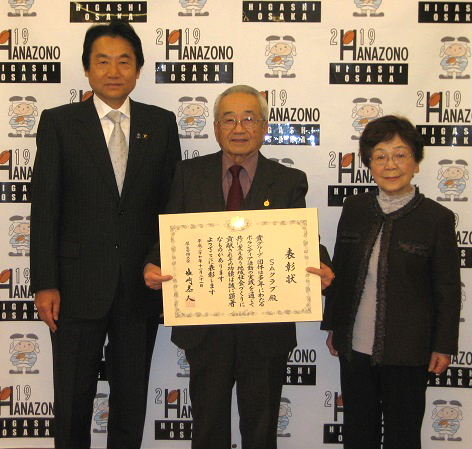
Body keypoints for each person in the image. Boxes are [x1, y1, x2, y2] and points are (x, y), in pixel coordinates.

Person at [144, 84, 334, 449]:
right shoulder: (187, 174)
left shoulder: (288, 180)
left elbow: (301, 239)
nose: (239, 128)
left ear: (265, 127)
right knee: (207, 429)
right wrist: (152, 265)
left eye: (249, 118)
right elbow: (169, 236)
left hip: (265, 332)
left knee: (261, 433)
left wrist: (321, 264)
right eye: (229, 119)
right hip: (205, 330)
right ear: (216, 128)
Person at [30, 20, 181, 449]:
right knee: (72, 400)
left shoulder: (161, 124)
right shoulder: (60, 123)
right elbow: (45, 209)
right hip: (75, 287)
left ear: (138, 70)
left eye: (124, 62)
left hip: (140, 285)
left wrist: (159, 260)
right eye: (102, 62)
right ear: (87, 68)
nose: (113, 71)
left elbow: (171, 205)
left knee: (131, 400)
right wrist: (45, 283)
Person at [321, 115, 461, 449]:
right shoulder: (355, 208)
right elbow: (342, 270)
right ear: (369, 164)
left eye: (400, 155)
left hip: (409, 350)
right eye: (380, 156)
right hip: (355, 347)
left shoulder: (437, 218)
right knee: (358, 432)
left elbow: (447, 287)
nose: (390, 165)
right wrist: (334, 326)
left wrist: (443, 345)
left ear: (416, 162)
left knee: (403, 435)